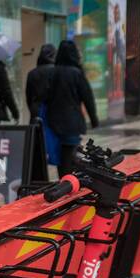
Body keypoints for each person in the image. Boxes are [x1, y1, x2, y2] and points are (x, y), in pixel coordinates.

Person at [41, 40, 99, 176]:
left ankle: (63, 179)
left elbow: (45, 96)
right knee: (70, 153)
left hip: (53, 120)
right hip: (72, 120)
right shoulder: (76, 73)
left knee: (60, 153)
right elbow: (87, 97)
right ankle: (69, 184)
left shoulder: (52, 72)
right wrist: (93, 118)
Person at [25, 43, 59, 177]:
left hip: (37, 110)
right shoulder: (56, 71)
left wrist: (32, 109)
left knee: (38, 144)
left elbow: (29, 95)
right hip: (53, 112)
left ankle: (40, 175)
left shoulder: (32, 73)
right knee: (54, 143)